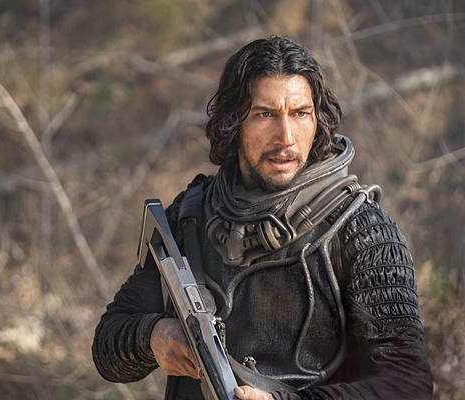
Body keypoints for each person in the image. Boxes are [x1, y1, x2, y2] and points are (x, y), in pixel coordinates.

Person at [92, 36, 433, 400]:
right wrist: (153, 335)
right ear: (233, 122)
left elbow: (407, 385)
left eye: (300, 114)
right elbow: (108, 352)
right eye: (264, 114)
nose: (285, 137)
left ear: (317, 120)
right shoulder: (191, 215)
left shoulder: (363, 231)